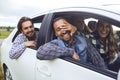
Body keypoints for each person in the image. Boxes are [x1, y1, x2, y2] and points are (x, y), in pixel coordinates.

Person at [37, 17, 106, 68]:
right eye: (58, 29)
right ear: (56, 34)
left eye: (64, 26)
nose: (63, 31)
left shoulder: (83, 40)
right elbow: (40, 52)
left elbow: (98, 61)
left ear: (70, 26)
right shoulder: (56, 43)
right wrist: (70, 52)